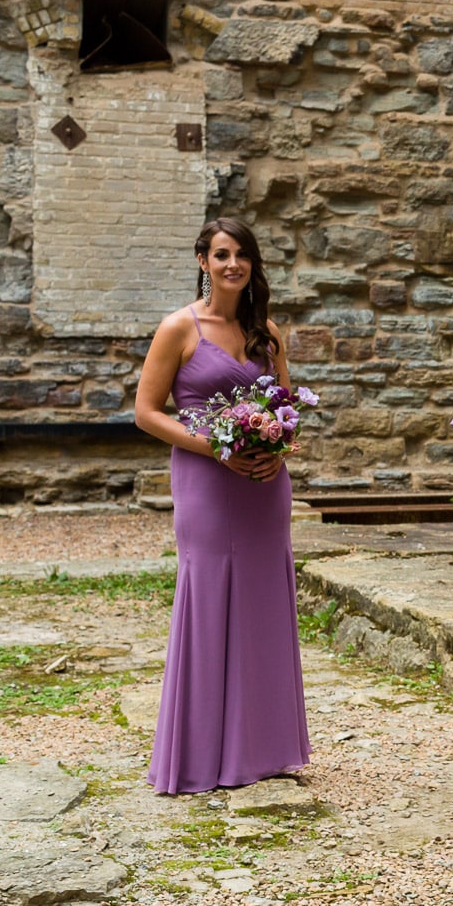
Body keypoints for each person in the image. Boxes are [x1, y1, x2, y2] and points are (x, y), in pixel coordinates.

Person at [134, 217, 310, 794]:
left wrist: (276, 453)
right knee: (208, 596)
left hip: (264, 485)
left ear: (253, 265)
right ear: (203, 261)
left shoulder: (268, 333)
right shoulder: (179, 328)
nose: (232, 264)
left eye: (242, 255)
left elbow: (287, 411)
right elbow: (148, 412)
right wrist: (217, 446)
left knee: (263, 600)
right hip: (206, 480)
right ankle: (200, 754)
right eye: (221, 254)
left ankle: (263, 749)